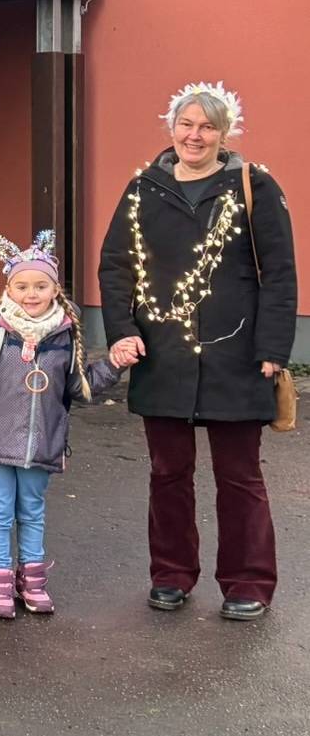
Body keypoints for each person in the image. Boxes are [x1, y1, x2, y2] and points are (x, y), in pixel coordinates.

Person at [98, 82, 297, 622]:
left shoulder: (254, 186)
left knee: (240, 477)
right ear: (171, 127)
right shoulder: (144, 188)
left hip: (238, 355)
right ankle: (171, 575)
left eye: (208, 126)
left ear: (224, 132)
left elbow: (280, 274)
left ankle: (247, 582)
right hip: (162, 354)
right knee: (168, 474)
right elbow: (115, 266)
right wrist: (120, 331)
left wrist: (274, 346)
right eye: (187, 124)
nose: (196, 135)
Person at [0, 232, 129, 618]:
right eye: (22, 286)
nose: (30, 293)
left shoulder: (65, 338)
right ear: (8, 289)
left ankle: (31, 579)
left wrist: (115, 366)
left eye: (40, 285)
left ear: (54, 290)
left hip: (42, 446)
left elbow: (78, 388)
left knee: (31, 510)